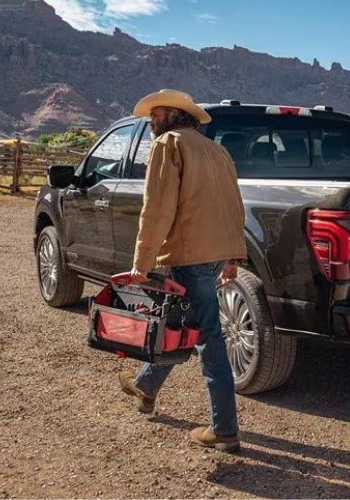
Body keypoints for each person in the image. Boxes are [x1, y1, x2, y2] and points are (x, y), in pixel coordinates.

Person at [117, 89, 247, 452]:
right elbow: (234, 204)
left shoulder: (168, 144)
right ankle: (145, 386)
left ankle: (224, 429)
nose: (152, 121)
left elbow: (157, 208)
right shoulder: (217, 151)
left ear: (176, 115)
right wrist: (233, 257)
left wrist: (142, 263)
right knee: (182, 326)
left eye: (157, 114)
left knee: (206, 336)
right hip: (215, 253)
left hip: (189, 254)